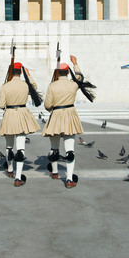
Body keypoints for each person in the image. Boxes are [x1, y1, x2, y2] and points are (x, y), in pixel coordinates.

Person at [42, 55, 96, 189]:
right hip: (70, 115)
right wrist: (75, 63)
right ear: (67, 72)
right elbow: (79, 77)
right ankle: (69, 179)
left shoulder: (52, 86)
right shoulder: (73, 85)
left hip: (56, 115)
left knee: (54, 148)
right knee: (70, 150)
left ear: (57, 73)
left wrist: (53, 108)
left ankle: (54, 172)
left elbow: (47, 105)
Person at [0, 62, 42, 187]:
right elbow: (34, 86)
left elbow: (1, 105)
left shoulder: (5, 86)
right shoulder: (25, 85)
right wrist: (28, 74)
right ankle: (18, 177)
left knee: (9, 146)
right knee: (21, 147)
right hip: (22, 115)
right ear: (21, 72)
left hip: (10, 115)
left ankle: (10, 169)